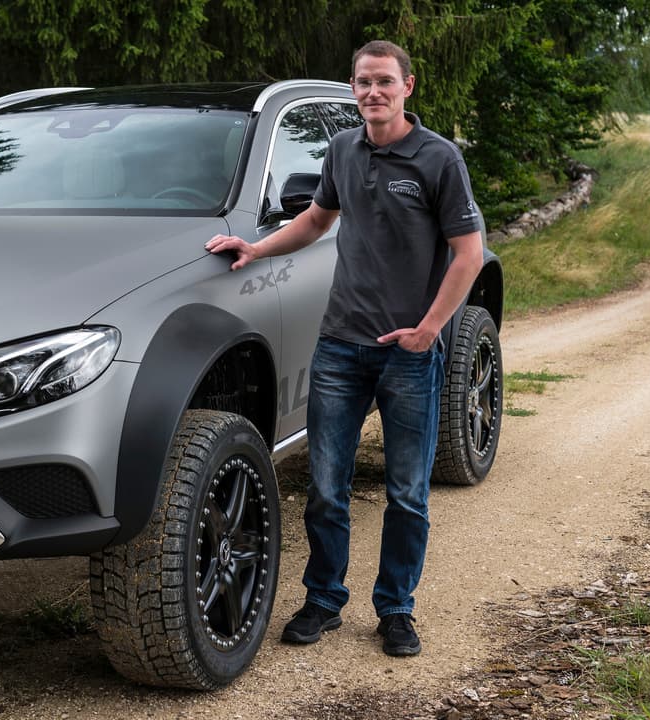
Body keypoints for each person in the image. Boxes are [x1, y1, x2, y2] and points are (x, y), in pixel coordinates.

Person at [205, 40, 484, 657]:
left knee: (407, 494)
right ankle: (325, 600)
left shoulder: (439, 160)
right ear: (352, 87)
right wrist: (256, 248)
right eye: (363, 82)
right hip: (339, 349)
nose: (373, 92)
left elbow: (467, 255)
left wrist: (431, 329)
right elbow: (315, 220)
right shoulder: (342, 149)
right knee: (327, 488)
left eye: (384, 81)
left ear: (408, 86)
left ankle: (397, 609)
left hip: (410, 353)